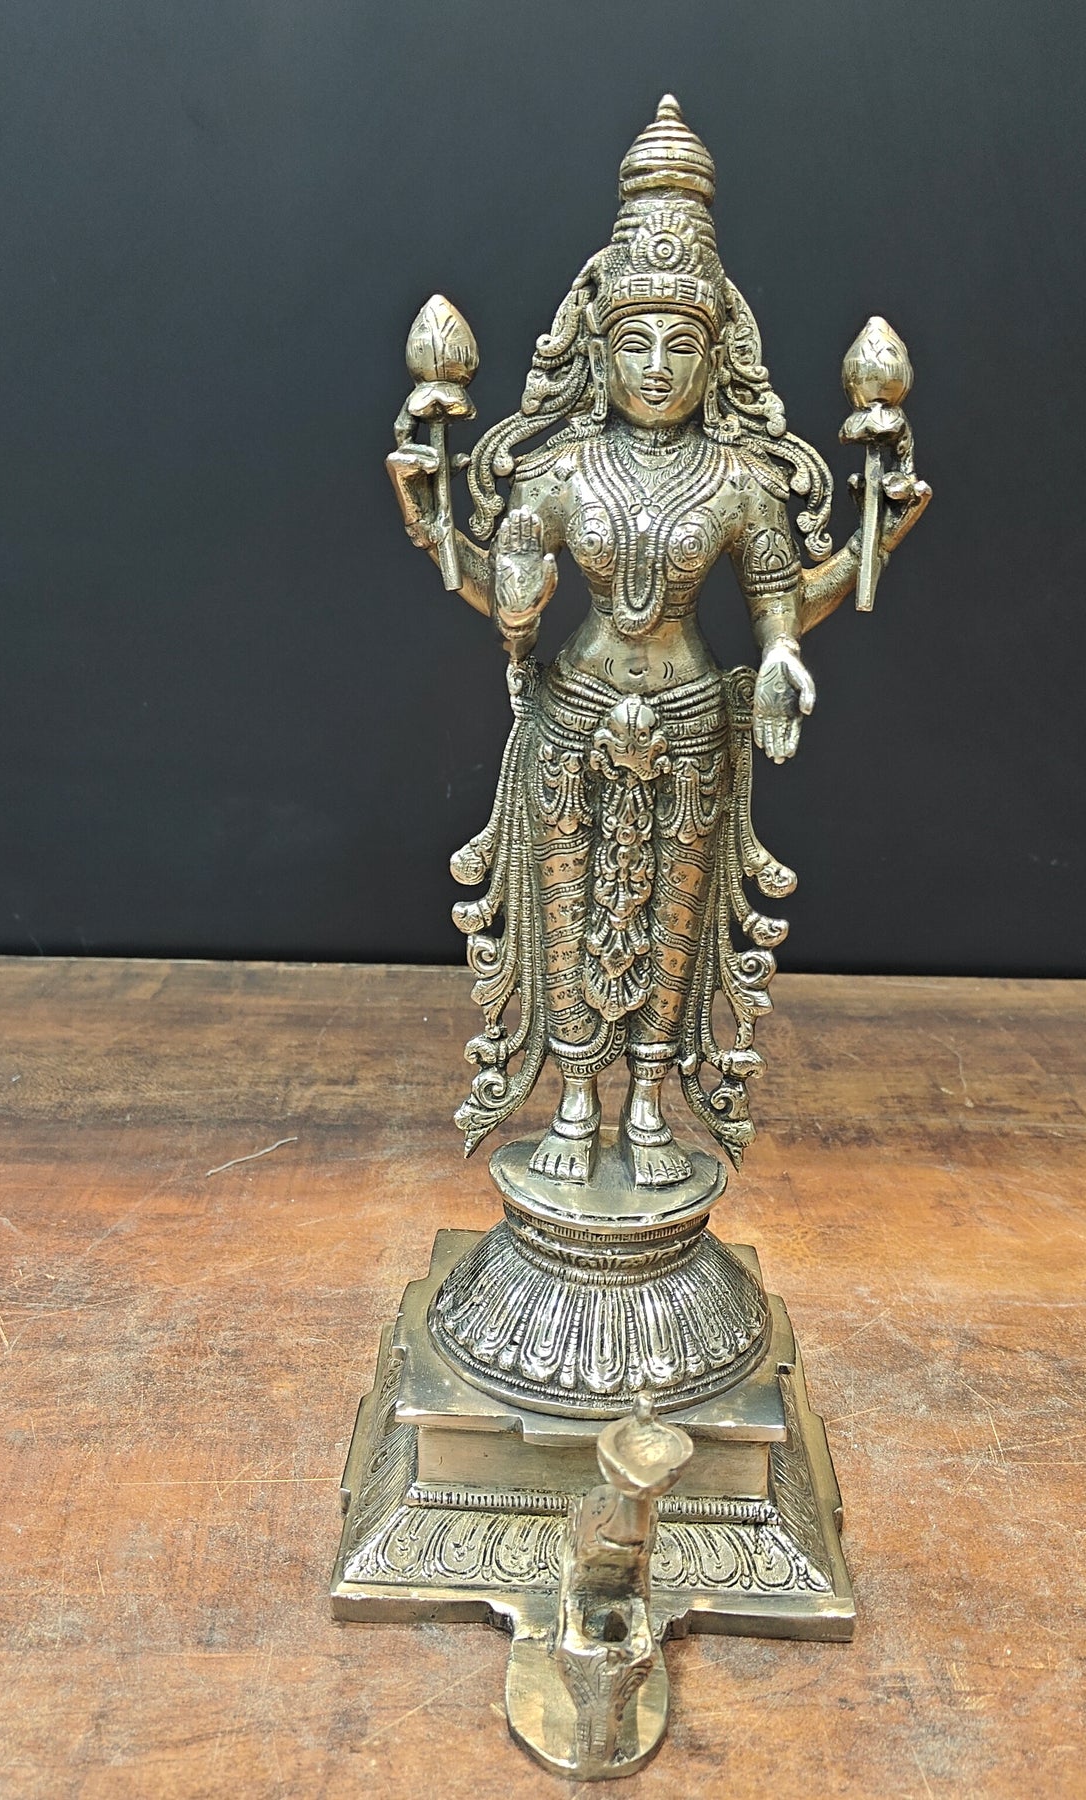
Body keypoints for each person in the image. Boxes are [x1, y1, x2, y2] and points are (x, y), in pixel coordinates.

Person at [389, 98, 872, 1186]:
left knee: (675, 912)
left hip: (694, 723)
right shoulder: (560, 469)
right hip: (573, 715)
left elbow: (779, 603)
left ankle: (649, 1104)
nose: (657, 366)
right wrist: (447, 543)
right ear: (599, 350)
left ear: (717, 354)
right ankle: (572, 1100)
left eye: (681, 345)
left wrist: (800, 635)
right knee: (567, 907)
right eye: (635, 342)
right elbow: (509, 598)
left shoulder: (741, 480)